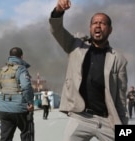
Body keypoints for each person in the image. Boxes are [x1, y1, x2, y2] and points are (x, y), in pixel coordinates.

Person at [49, 0, 128, 141]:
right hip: (80, 117)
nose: (98, 25)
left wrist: (124, 128)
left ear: (110, 29)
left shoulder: (119, 59)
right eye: (94, 23)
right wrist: (59, 11)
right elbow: (57, 30)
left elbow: (121, 99)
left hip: (107, 120)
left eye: (103, 23)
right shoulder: (75, 45)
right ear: (90, 28)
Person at [0, 47, 34, 141]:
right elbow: (26, 87)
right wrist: (30, 102)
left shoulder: (1, 71)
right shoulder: (21, 69)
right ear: (21, 57)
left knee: (5, 137)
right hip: (20, 110)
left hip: (3, 110)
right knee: (27, 134)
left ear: (9, 56)